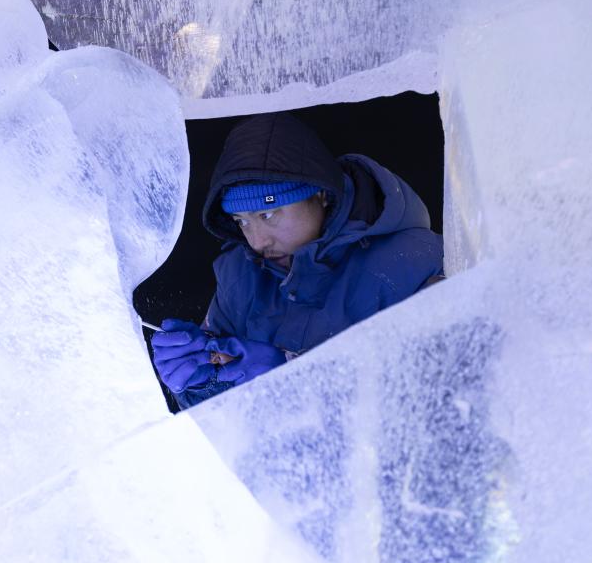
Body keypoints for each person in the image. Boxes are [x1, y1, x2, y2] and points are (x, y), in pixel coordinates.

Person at [152, 112, 443, 409]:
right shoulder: (240, 276)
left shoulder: (413, 263)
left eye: (267, 214)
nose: (257, 241)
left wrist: (294, 375)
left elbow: (442, 394)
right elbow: (224, 424)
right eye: (242, 221)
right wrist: (201, 382)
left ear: (320, 195)